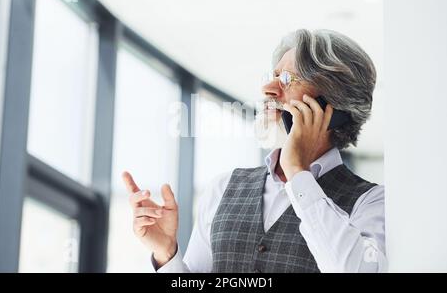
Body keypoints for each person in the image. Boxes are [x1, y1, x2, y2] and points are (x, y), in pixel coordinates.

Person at [122, 29, 386, 273]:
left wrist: (298, 173)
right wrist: (166, 254)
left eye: (286, 79)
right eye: (273, 76)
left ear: (332, 105)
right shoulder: (223, 188)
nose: (268, 89)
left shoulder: (371, 202)